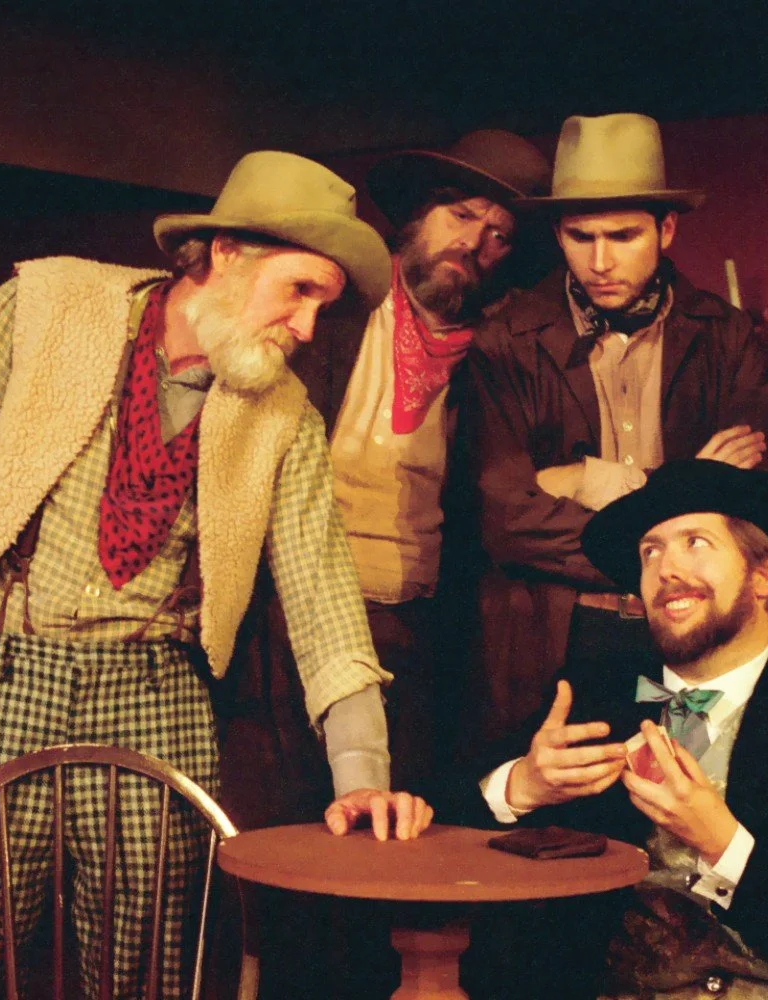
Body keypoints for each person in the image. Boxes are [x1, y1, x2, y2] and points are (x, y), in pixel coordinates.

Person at [0, 150, 434, 999]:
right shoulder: (48, 304)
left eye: (325, 304)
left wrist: (363, 781)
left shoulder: (284, 417)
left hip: (157, 696)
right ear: (227, 252)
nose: (309, 327)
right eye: (300, 291)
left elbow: (326, 610)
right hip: (3, 673)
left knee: (149, 978)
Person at [217, 131, 548, 1000]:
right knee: (272, 853)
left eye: (500, 234)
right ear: (415, 216)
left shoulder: (497, 355)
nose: (475, 243)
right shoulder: (331, 315)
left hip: (414, 633)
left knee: (384, 864)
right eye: (461, 215)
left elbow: (506, 497)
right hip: (283, 629)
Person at [450, 459, 768, 999]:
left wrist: (725, 845)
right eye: (650, 551)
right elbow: (441, 823)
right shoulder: (590, 697)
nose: (666, 568)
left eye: (696, 543)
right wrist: (520, 786)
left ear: (764, 576)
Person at [469, 113, 768, 744]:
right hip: (552, 633)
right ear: (557, 234)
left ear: (665, 229)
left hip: (690, 630)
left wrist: (583, 480)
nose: (600, 261)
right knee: (557, 798)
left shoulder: (723, 334)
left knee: (684, 794)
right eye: (580, 236)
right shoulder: (506, 340)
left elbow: (759, 498)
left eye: (622, 236)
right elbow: (504, 518)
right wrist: (679, 499)